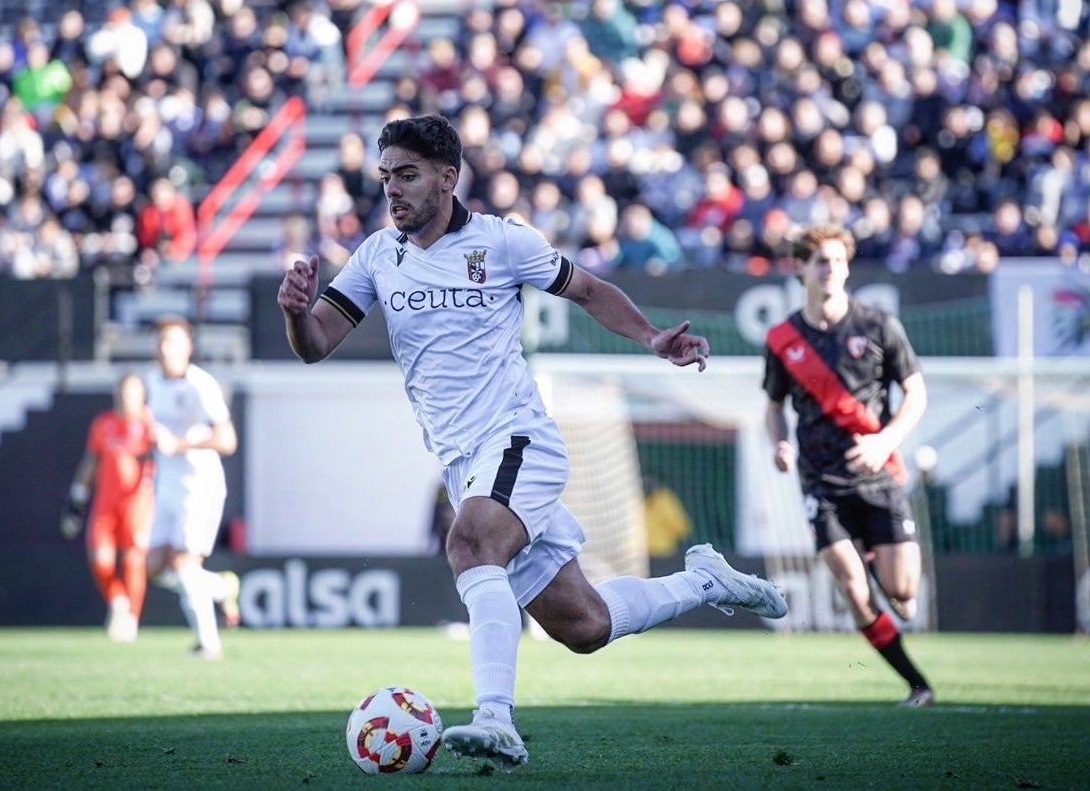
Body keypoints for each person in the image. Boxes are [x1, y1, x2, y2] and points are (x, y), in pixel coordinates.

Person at [277, 115, 787, 769]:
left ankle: (496, 719)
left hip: (519, 442)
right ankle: (704, 582)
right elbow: (317, 345)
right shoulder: (378, 255)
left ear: (447, 177)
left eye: (406, 176)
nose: (393, 191)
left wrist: (652, 338)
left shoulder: (504, 242)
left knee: (467, 541)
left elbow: (590, 289)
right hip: (469, 465)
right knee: (584, 625)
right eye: (385, 178)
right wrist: (296, 313)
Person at [763, 223, 935, 708]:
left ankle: (884, 566)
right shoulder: (782, 338)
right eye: (820, 260)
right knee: (852, 585)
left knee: (902, 591)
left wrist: (886, 439)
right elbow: (774, 407)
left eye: (837, 260)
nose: (830, 269)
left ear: (848, 266)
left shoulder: (879, 325)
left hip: (878, 475)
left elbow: (916, 392)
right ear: (800, 268)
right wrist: (780, 446)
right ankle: (917, 684)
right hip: (820, 481)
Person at [145, 315, 241, 660]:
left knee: (185, 564)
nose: (165, 347)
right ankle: (218, 586)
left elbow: (227, 440)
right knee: (154, 567)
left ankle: (208, 644)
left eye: (173, 341)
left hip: (200, 485)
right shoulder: (151, 381)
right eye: (160, 340)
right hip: (165, 485)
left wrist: (180, 445)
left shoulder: (201, 384)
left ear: (189, 347)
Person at [63, 372, 154, 642]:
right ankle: (118, 601)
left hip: (137, 504)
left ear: (142, 396)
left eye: (133, 392)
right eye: (123, 391)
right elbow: (90, 463)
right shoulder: (103, 424)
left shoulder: (150, 423)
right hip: (105, 504)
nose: (127, 397)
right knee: (99, 559)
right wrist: (75, 503)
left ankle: (132, 621)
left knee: (134, 559)